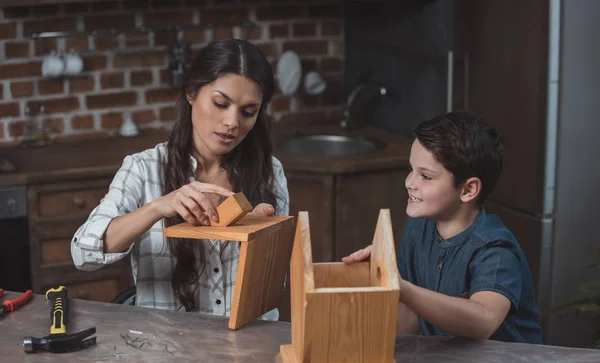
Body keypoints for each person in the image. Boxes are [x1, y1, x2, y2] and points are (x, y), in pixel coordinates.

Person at [71, 39, 289, 320]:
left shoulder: (270, 171)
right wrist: (157, 208)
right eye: (220, 104)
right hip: (167, 349)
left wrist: (263, 241)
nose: (232, 122)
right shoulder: (143, 168)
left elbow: (277, 284)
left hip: (248, 345)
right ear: (191, 93)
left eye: (248, 112)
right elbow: (83, 253)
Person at [343, 111, 543, 343]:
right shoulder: (419, 226)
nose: (409, 183)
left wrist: (401, 287)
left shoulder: (496, 250)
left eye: (426, 176)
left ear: (468, 190)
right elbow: (410, 315)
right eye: (411, 170)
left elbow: (484, 321)